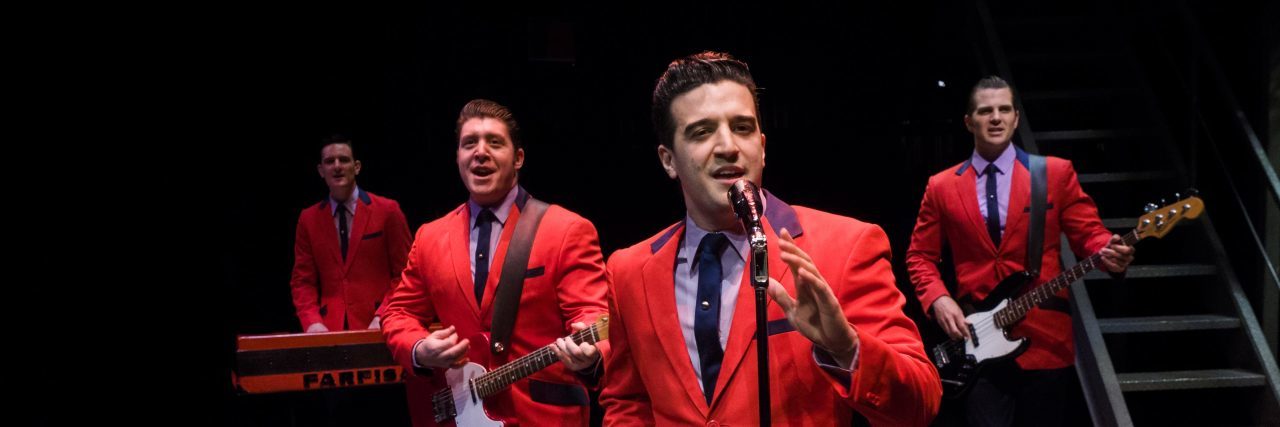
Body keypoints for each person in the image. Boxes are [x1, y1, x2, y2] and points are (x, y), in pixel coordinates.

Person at [599, 51, 942, 426]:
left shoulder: (846, 246)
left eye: (743, 128)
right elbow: (628, 401)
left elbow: (920, 404)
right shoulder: (628, 271)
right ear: (668, 160)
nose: (728, 146)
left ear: (762, 146)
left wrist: (847, 349)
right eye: (702, 131)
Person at [905, 76, 1135, 426]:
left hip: (1045, 339)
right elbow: (920, 256)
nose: (995, 118)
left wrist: (1108, 250)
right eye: (985, 111)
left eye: (1003, 109)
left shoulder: (1054, 173)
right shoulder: (942, 186)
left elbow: (1088, 233)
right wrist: (938, 299)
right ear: (969, 122)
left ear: (1015, 118)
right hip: (977, 339)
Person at [382, 99, 608, 426]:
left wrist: (591, 352)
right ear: (458, 158)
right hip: (458, 414)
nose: (480, 152)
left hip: (543, 417)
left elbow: (594, 316)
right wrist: (419, 350)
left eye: (495, 142)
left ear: (518, 158)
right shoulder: (430, 236)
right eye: (469, 143)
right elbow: (399, 313)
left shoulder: (567, 229)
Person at [290, 135, 411, 333]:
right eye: (330, 161)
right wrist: (312, 322)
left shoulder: (388, 211)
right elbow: (303, 281)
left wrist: (384, 315)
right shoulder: (308, 219)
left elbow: (405, 274)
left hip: (381, 328)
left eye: (344, 160)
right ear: (321, 170)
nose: (337, 166)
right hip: (329, 331)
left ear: (357, 167)